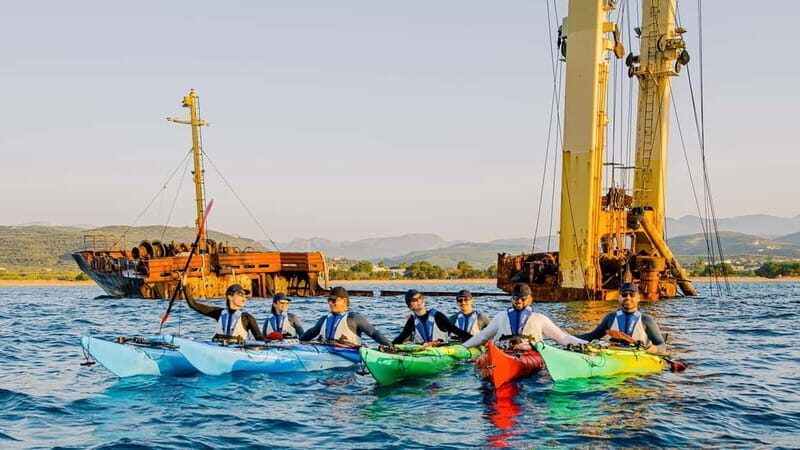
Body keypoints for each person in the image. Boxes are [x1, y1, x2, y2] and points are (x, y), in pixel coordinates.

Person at [462, 284, 585, 348]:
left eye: (523, 298)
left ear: (530, 299)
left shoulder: (539, 318)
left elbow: (562, 338)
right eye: (516, 298)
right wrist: (463, 347)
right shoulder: (501, 316)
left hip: (529, 353)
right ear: (511, 299)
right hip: (505, 351)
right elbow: (483, 336)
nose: (519, 301)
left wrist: (585, 344)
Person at [575, 282, 666, 353]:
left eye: (632, 295)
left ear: (638, 298)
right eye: (624, 294)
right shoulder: (610, 318)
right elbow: (592, 336)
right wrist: (569, 337)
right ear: (619, 298)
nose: (628, 297)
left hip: (638, 356)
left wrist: (654, 349)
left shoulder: (646, 320)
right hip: (615, 354)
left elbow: (662, 345)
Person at [300, 286, 392, 347]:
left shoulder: (354, 318)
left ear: (344, 301)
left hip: (349, 355)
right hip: (325, 351)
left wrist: (391, 347)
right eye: (329, 300)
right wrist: (297, 342)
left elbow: (374, 334)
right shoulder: (324, 319)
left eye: (333, 300)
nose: (330, 303)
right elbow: (310, 333)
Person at [182, 280, 263, 341]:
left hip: (238, 350)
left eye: (245, 296)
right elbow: (193, 304)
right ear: (230, 297)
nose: (244, 299)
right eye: (240, 295)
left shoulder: (247, 318)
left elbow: (259, 339)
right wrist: (184, 285)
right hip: (219, 346)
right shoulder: (218, 313)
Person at [393, 289, 473, 344]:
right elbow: (401, 338)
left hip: (441, 351)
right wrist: (389, 347)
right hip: (423, 353)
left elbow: (456, 330)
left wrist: (475, 341)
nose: (418, 301)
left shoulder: (437, 316)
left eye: (420, 298)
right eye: (414, 300)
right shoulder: (412, 321)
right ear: (410, 307)